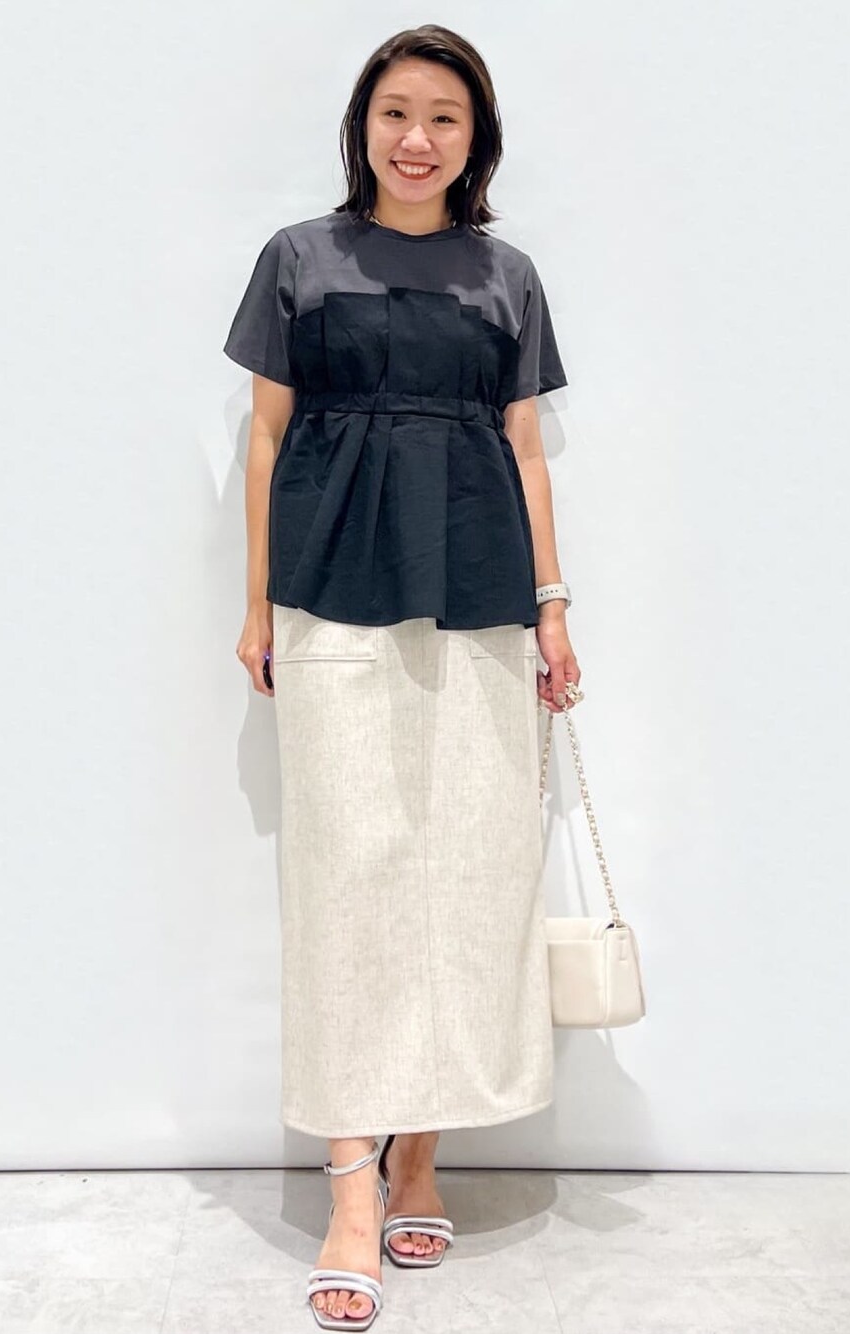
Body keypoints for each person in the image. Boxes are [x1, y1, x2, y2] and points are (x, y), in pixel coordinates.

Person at [225, 23, 581, 1332]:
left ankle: (420, 1153)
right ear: (361, 127)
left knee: (469, 867)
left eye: (443, 116)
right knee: (348, 874)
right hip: (330, 588)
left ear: (475, 139)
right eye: (395, 112)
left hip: (482, 593)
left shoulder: (507, 274)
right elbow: (265, 441)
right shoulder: (299, 258)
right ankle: (349, 1182)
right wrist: (254, 603)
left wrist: (554, 606)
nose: (416, 138)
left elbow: (525, 446)